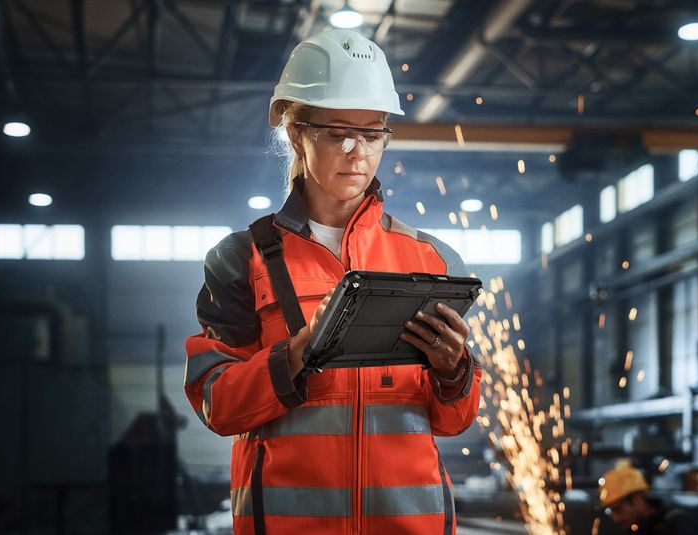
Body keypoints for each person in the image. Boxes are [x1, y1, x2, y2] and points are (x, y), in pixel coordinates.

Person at [183, 29, 481, 535]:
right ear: (296, 132)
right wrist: (298, 352)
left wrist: (454, 370)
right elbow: (217, 403)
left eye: (373, 133)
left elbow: (452, 421)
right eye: (336, 131)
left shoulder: (432, 259)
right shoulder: (241, 259)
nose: (357, 151)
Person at [600, 460, 698, 535]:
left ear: (637, 498)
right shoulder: (636, 530)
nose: (616, 519)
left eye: (618, 509)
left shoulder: (677, 524)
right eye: (610, 511)